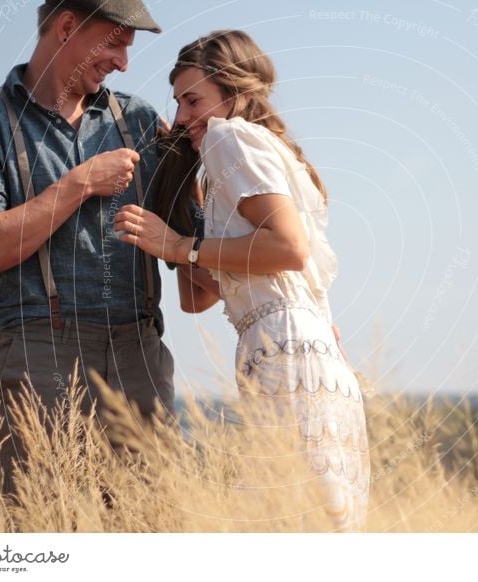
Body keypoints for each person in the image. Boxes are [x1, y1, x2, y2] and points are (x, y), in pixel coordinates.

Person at [113, 29, 370, 531]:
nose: (183, 115)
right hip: (300, 347)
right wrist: (179, 197)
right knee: (313, 524)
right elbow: (195, 297)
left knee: (288, 522)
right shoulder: (257, 150)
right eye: (179, 102)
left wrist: (176, 245)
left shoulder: (230, 137)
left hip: (287, 347)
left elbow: (289, 249)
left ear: (236, 96)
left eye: (194, 100)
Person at [0, 0, 173, 513]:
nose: (124, 64)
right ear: (67, 26)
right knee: (48, 535)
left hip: (140, 356)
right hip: (38, 356)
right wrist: (79, 184)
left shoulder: (138, 119)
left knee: (151, 539)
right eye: (115, 44)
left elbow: (193, 232)